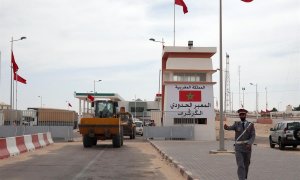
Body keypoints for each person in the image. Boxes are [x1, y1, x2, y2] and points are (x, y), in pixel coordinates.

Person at [224, 108, 256, 180]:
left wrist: (249, 143)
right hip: (238, 148)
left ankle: (244, 177)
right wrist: (226, 127)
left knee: (246, 164)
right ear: (239, 116)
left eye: (243, 114)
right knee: (240, 165)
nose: (241, 116)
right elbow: (230, 127)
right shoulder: (236, 124)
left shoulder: (250, 125)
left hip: (247, 148)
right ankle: (241, 178)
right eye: (240, 115)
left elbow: (253, 135)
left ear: (245, 115)